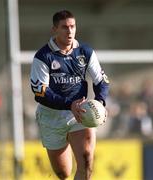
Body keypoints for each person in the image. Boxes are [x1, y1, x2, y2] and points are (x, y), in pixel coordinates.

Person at [30, 10, 109, 180]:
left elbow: (101, 81)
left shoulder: (85, 52)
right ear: (54, 30)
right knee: (63, 173)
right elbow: (40, 92)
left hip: (80, 114)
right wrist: (68, 105)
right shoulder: (43, 56)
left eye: (72, 26)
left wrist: (101, 102)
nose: (70, 31)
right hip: (51, 116)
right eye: (65, 27)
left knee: (87, 163)